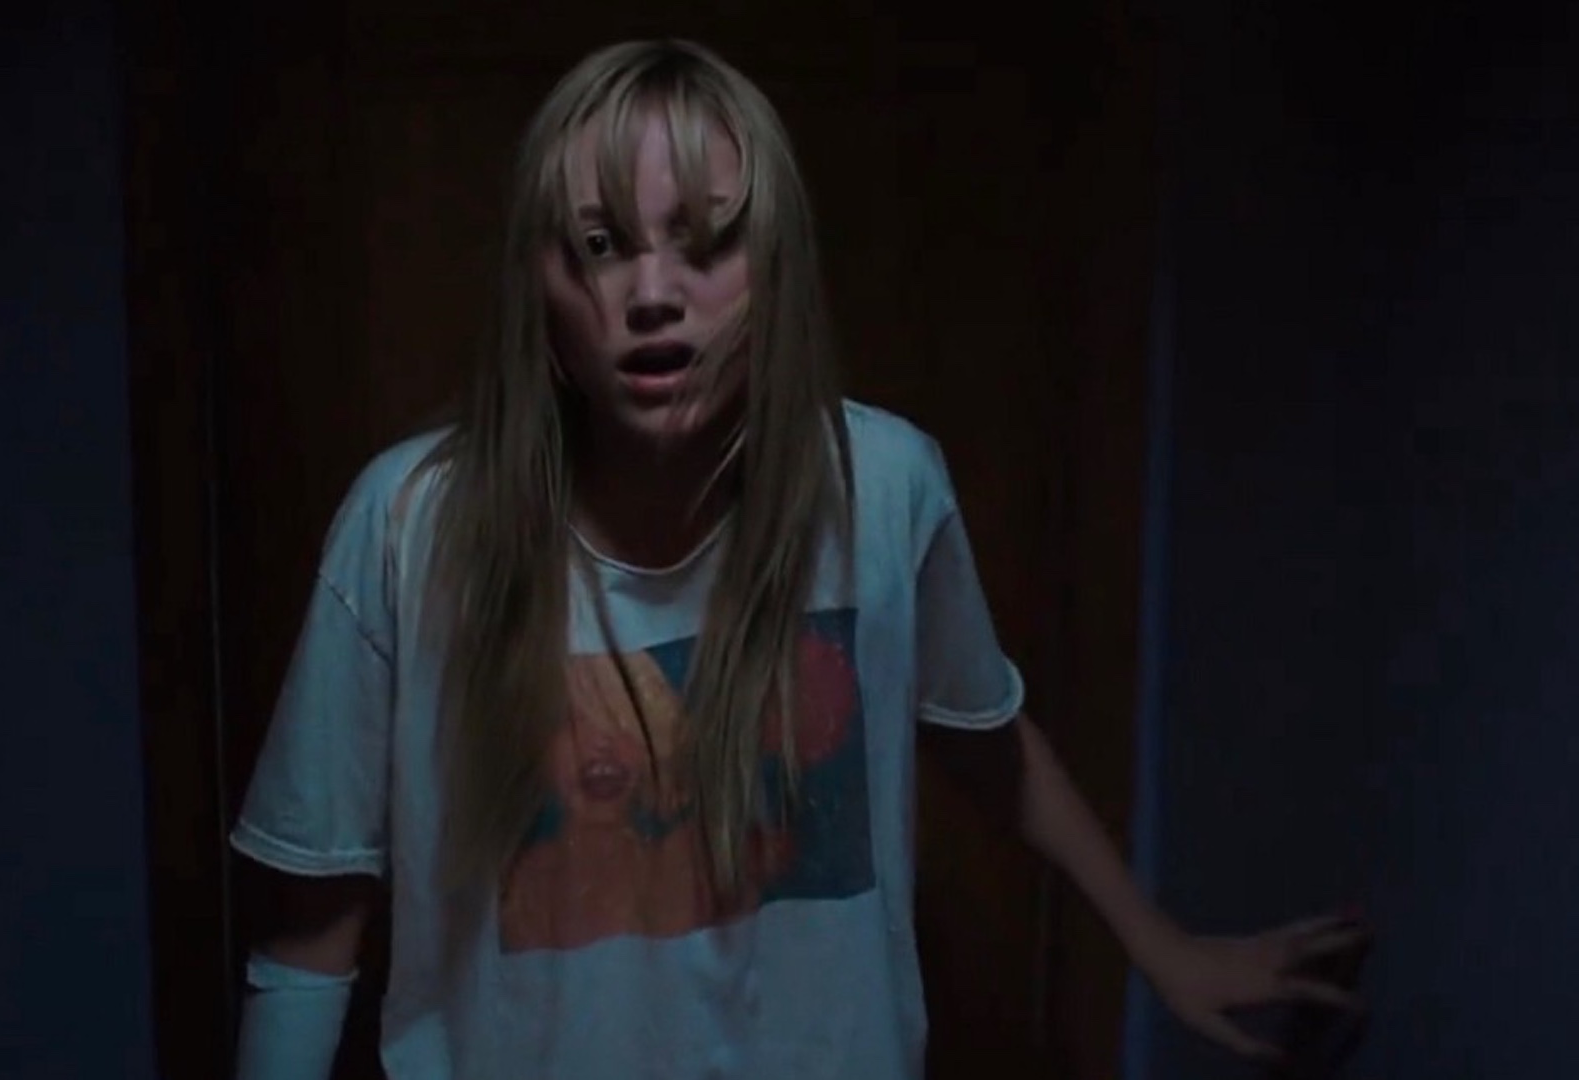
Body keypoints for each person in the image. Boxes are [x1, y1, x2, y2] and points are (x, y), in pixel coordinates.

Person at [229, 38, 1367, 1080]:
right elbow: (308, 937)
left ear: (776, 268)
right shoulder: (409, 526)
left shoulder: (885, 490)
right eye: (599, 247)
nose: (653, 294)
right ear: (538, 288)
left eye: (707, 241)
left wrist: (1161, 945)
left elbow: (982, 729)